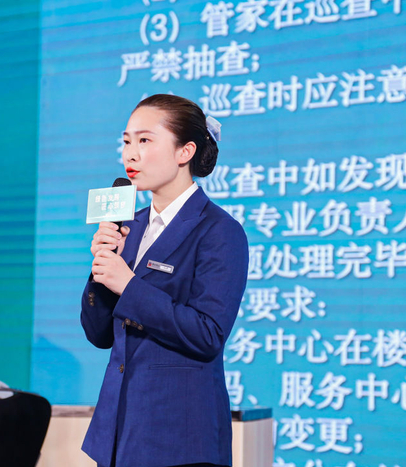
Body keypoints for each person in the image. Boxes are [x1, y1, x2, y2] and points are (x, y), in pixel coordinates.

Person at [80, 94, 249, 467]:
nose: (131, 154)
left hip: (178, 437)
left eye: (145, 140)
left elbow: (207, 335)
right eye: (127, 141)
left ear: (185, 151)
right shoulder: (131, 224)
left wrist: (128, 286)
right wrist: (102, 267)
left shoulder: (219, 230)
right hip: (118, 434)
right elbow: (99, 334)